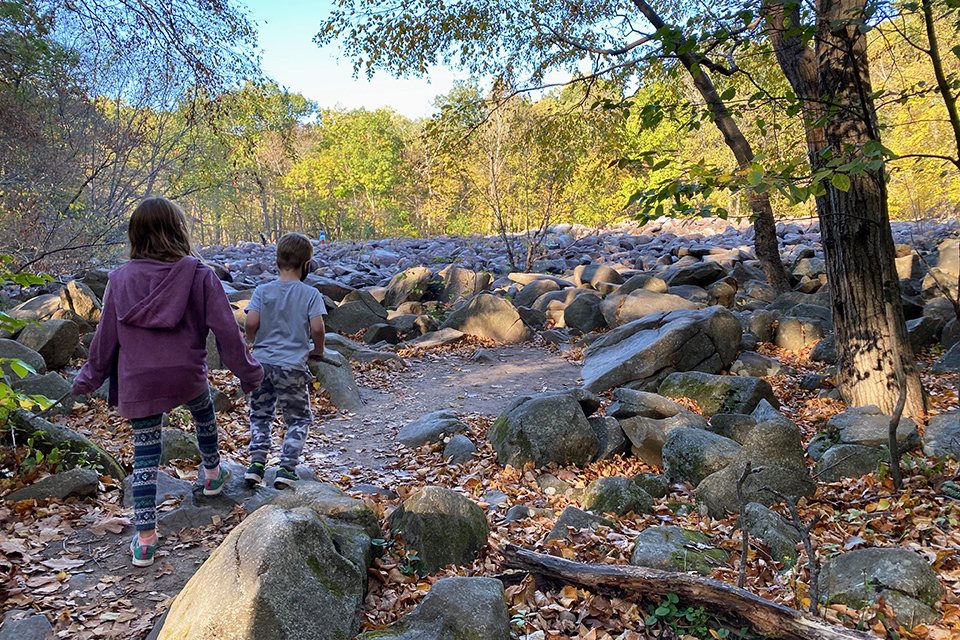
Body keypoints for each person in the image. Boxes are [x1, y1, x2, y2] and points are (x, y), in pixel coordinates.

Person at [71, 197, 263, 567]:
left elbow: (105, 338)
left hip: (139, 379)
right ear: (179, 231)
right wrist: (250, 373)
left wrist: (88, 377)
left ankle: (145, 539)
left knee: (145, 456)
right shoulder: (199, 274)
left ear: (135, 235)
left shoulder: (119, 279)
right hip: (186, 372)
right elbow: (227, 332)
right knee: (203, 410)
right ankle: (211, 473)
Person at [243, 232, 327, 490]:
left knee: (260, 414)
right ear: (306, 266)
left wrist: (251, 343)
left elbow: (251, 322)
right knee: (298, 419)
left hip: (262, 364)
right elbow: (318, 329)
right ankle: (286, 468)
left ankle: (256, 465)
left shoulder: (262, 290)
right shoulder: (310, 294)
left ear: (277, 263)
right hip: (291, 367)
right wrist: (318, 351)